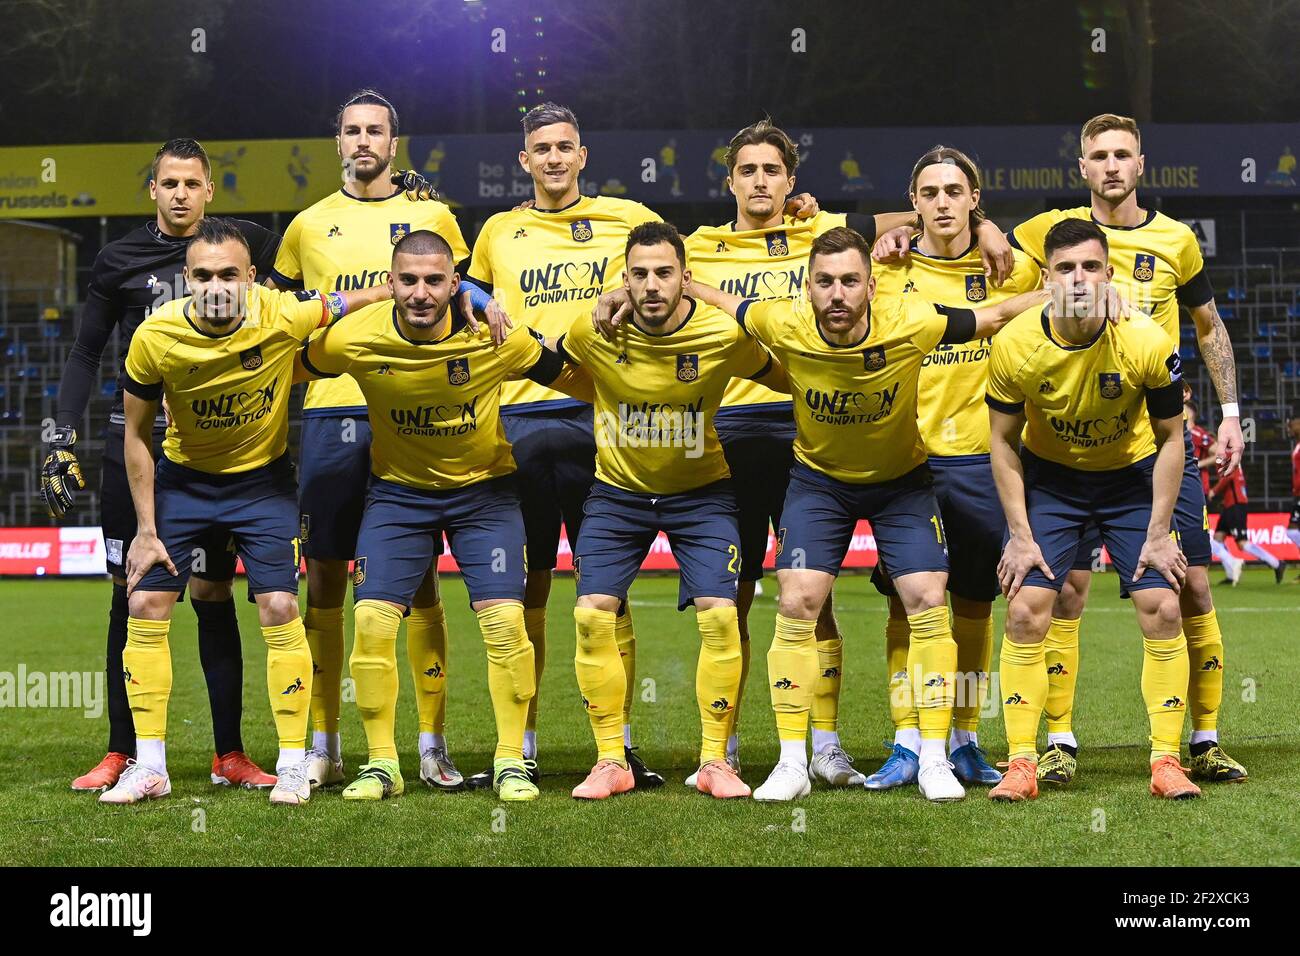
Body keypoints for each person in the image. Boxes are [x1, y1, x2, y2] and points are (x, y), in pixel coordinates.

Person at [686, 226, 1046, 802]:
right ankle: (790, 762)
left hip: (901, 484)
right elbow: (726, 301)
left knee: (928, 598)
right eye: (824, 282)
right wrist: (676, 284)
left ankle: (933, 758)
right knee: (798, 600)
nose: (837, 294)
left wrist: (1052, 294)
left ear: (871, 286)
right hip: (818, 485)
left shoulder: (913, 320)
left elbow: (994, 315)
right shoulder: (784, 323)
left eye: (850, 281)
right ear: (806, 289)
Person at [102, 217, 386, 805]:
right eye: (202, 275)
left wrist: (442, 290)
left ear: (252, 279)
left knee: (280, 604)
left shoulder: (282, 313)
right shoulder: (154, 337)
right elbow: (135, 436)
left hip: (263, 485)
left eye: (228, 274)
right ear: (186, 279)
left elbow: (354, 298)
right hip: (184, 483)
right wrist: (147, 531)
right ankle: (150, 765)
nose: (215, 286)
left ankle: (291, 762)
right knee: (145, 599)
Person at [296, 230, 585, 801]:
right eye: (409, 280)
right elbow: (291, 367)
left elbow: (578, 378)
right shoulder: (355, 337)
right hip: (399, 496)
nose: (421, 293)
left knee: (506, 624)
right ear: (391, 282)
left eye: (434, 280)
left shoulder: (495, 337)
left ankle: (510, 762)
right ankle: (382, 765)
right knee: (374, 623)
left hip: (486, 495)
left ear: (457, 284)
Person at [42, 138, 281, 794]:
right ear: (153, 190)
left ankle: (228, 753)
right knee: (132, 593)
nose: (180, 193)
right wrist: (59, 437)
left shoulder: (247, 247)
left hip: (223, 455)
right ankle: (123, 751)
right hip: (139, 453)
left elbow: (326, 261)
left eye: (192, 183)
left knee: (212, 592)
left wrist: (409, 197)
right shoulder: (119, 259)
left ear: (210, 191)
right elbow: (86, 354)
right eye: (169, 182)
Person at [268, 89, 481, 792]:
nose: (364, 141)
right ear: (338, 141)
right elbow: (282, 317)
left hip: (416, 411)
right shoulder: (306, 226)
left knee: (416, 581)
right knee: (324, 578)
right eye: (352, 130)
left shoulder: (433, 218)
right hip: (332, 413)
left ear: (396, 142)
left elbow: (467, 296)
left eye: (376, 131)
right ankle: (324, 744)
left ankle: (430, 744)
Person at [557, 222, 790, 800]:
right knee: (591, 617)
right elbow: (559, 369)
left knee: (720, 615)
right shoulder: (592, 330)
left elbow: (782, 375)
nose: (652, 285)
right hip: (616, 494)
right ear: (624, 281)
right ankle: (612, 760)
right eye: (639, 274)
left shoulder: (719, 333)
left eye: (664, 273)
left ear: (687, 278)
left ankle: (717, 762)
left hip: (703, 491)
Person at [986, 218, 1198, 802]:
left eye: (1090, 267)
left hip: (1130, 480)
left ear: (1109, 273)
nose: (1078, 279)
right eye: (1064, 268)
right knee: (1028, 609)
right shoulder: (1015, 344)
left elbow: (1172, 437)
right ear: (1047, 278)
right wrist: (1020, 535)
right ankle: (1023, 763)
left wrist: (1159, 532)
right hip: (1053, 482)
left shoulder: (1148, 341)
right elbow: (1002, 442)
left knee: (1163, 607)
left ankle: (1167, 760)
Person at [865, 145, 1042, 791]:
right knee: (909, 603)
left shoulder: (1011, 267)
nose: (942, 202)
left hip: (984, 458)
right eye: (929, 192)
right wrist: (890, 233)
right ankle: (907, 740)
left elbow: (1067, 277)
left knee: (975, 600)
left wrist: (996, 236)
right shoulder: (886, 269)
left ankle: (964, 736)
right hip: (907, 459)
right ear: (913, 203)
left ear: (975, 200)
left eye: (954, 191)